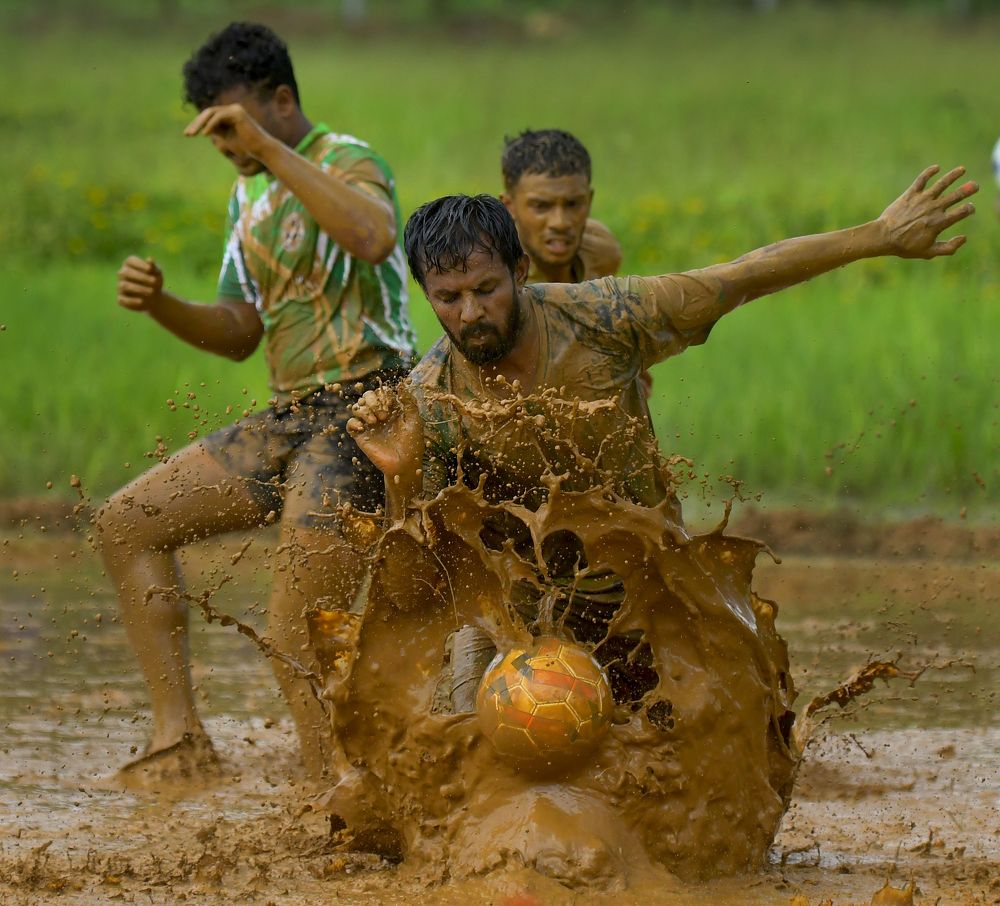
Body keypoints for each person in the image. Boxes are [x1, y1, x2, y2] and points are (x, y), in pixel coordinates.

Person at [346, 165, 976, 703]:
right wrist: (399, 471)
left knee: (740, 708)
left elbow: (742, 276)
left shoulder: (606, 317)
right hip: (517, 606)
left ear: (521, 268)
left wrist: (878, 236)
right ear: (426, 294)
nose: (471, 313)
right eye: (448, 298)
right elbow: (417, 584)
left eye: (485, 289)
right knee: (461, 728)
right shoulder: (430, 395)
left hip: (646, 577)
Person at [97, 21, 416, 783]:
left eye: (235, 126)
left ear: (280, 101)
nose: (230, 146)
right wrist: (163, 305)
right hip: (290, 415)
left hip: (367, 409)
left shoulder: (348, 160)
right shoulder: (250, 198)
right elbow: (241, 329)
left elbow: (371, 238)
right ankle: (180, 740)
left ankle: (339, 802)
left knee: (296, 632)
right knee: (125, 525)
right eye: (219, 135)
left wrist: (272, 153)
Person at [500, 128, 621, 285]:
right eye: (541, 206)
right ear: (509, 207)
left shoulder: (603, 253)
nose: (560, 223)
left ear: (589, 200)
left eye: (573, 204)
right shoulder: (495, 279)